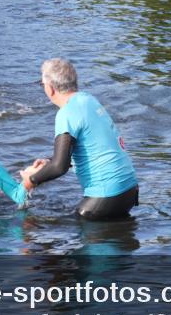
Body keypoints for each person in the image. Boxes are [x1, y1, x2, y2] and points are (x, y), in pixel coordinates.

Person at [23, 58, 139, 220]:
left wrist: (31, 180)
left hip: (107, 194)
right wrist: (48, 163)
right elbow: (87, 149)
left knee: (70, 228)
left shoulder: (67, 113)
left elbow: (59, 167)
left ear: (50, 88)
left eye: (41, 84)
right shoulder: (88, 100)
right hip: (129, 190)